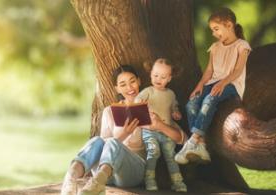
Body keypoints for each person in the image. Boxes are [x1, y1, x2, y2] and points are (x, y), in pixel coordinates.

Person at [61, 65, 187, 195]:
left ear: (138, 81)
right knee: (97, 140)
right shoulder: (109, 112)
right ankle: (69, 183)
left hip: (132, 172)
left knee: (112, 142)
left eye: (132, 81)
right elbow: (103, 146)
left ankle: (98, 182)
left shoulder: (153, 108)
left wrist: (160, 125)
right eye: (123, 84)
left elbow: (182, 139)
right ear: (117, 89)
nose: (129, 88)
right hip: (105, 173)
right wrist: (124, 133)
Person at [175, 7, 252, 164]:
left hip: (231, 84)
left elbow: (237, 71)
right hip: (213, 83)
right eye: (212, 30)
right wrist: (199, 86)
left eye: (216, 29)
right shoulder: (215, 47)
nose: (214, 33)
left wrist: (223, 83)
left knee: (209, 100)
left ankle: (192, 141)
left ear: (229, 25)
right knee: (191, 104)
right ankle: (201, 146)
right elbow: (209, 70)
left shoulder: (242, 46)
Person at [135, 58, 187, 192]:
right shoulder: (148, 91)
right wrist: (141, 102)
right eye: (155, 75)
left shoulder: (171, 94)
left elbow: (174, 107)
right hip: (150, 130)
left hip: (166, 130)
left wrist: (176, 112)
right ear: (150, 74)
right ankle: (149, 179)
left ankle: (177, 182)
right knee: (153, 151)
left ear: (169, 78)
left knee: (171, 155)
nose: (158, 79)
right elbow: (137, 100)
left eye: (163, 77)